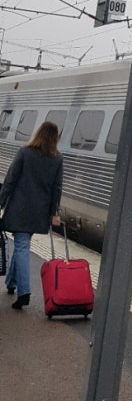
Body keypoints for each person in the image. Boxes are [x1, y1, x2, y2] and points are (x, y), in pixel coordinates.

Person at [1, 120, 63, 309]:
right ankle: (11, 283)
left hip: (19, 209)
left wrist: (1, 202)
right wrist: (54, 212)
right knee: (22, 244)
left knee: (21, 246)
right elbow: (57, 189)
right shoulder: (57, 159)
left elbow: (10, 180)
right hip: (39, 213)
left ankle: (24, 291)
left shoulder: (25, 153)